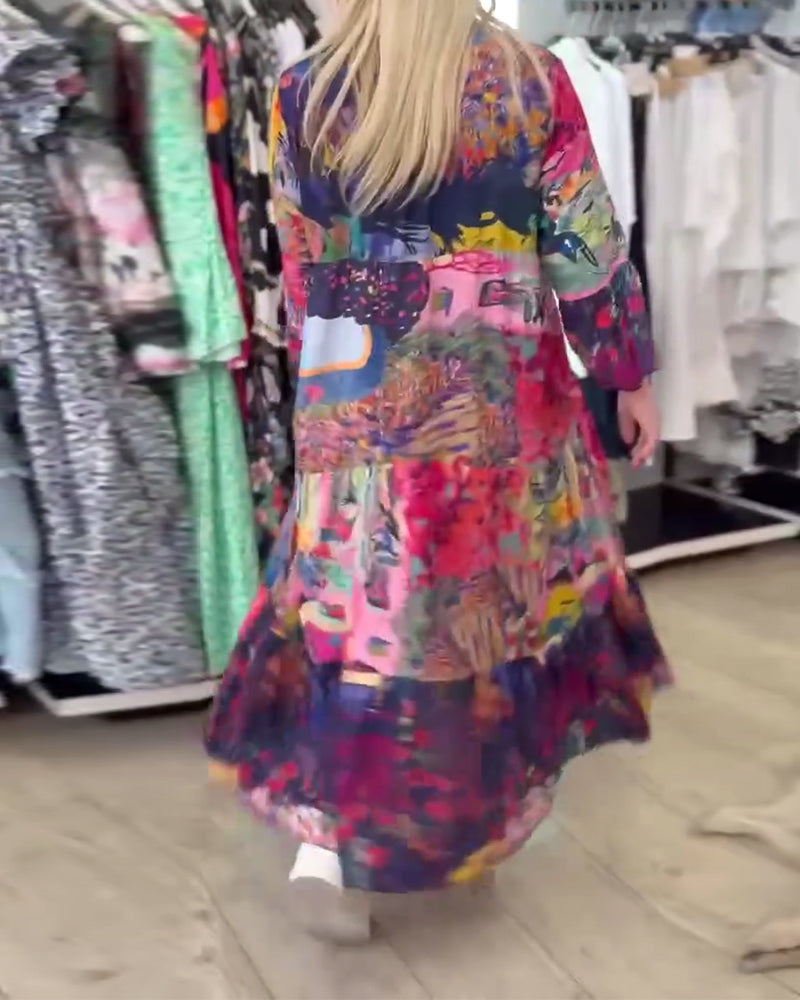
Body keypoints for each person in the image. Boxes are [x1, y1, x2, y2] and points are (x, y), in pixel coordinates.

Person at [206, 0, 670, 943]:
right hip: (498, 419)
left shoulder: (306, 90)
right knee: (484, 615)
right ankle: (471, 823)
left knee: (357, 613)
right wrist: (627, 372)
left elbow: (303, 266)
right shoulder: (529, 82)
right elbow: (585, 251)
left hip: (357, 409)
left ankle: (327, 848)